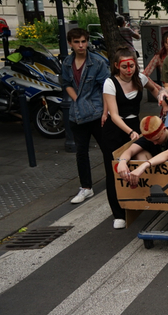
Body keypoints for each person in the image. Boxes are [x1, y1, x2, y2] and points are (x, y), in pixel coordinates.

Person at [101, 48, 165, 228]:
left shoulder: (140, 78)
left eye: (132, 65)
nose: (129, 69)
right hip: (115, 129)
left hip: (136, 126)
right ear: (116, 66)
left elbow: (155, 89)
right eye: (125, 66)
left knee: (149, 156)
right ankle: (119, 213)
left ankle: (151, 198)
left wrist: (162, 99)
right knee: (113, 169)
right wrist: (130, 132)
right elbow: (113, 114)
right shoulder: (110, 83)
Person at [61, 28, 110, 204]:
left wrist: (106, 112)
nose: (81, 45)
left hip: (97, 113)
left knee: (107, 150)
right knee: (81, 152)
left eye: (83, 41)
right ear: (70, 43)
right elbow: (66, 82)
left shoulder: (97, 62)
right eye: (77, 42)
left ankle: (113, 183)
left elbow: (107, 88)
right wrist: (76, 99)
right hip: (77, 114)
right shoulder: (67, 62)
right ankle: (86, 187)